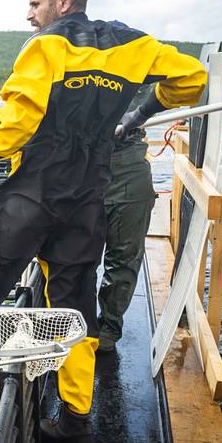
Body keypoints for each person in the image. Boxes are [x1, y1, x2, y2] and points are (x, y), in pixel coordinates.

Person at [0, 0, 206, 443]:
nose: (29, 15)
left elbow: (19, 117)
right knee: (72, 310)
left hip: (34, 193)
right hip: (87, 198)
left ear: (63, 2)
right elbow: (191, 80)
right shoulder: (136, 46)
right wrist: (140, 111)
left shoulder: (46, 46)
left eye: (35, 4)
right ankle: (75, 424)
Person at [96, 84, 159, 353]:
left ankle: (108, 329)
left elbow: (187, 81)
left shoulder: (138, 58)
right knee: (75, 257)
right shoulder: (65, 57)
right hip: (78, 164)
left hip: (128, 165)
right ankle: (79, 326)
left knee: (124, 257)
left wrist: (140, 113)